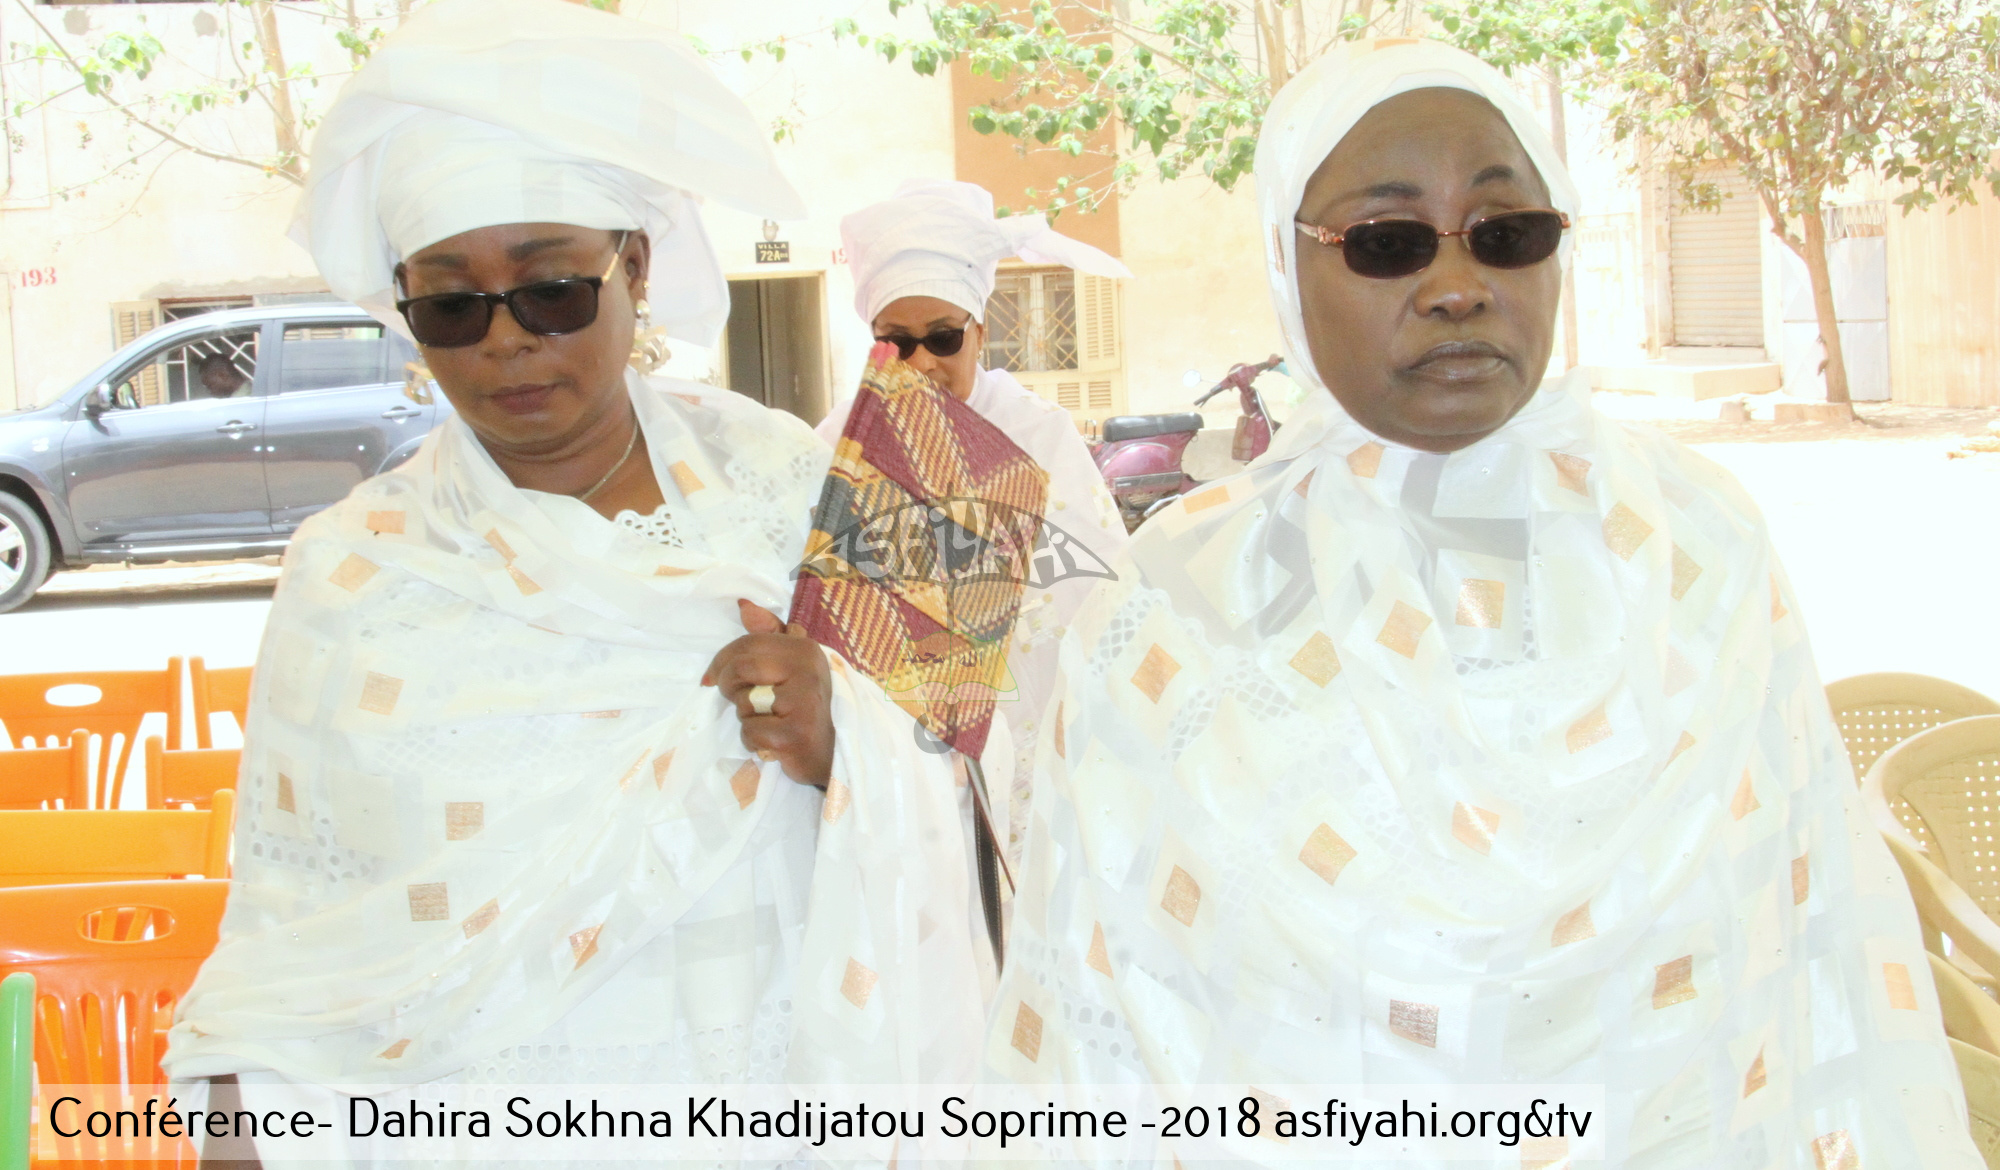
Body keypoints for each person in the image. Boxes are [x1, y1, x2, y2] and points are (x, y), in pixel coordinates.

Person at [982, 39, 1981, 1168]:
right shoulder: (1180, 605)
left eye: (1507, 233)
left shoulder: (1695, 548)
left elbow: (1806, 959)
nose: (1458, 286)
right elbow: (1108, 1025)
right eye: (1387, 241)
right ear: (1287, 268)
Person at [160, 0, 982, 1162]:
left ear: (632, 267)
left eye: (550, 290)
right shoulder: (351, 568)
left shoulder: (807, 481)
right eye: (451, 305)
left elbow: (990, 787)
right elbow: (293, 930)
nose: (505, 341)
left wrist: (843, 739)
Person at [823, 179, 1132, 883]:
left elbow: (1096, 600)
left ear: (980, 333)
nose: (922, 363)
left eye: (943, 338)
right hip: (892, 752)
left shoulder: (1037, 438)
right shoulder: (836, 445)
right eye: (896, 343)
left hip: (1021, 739)